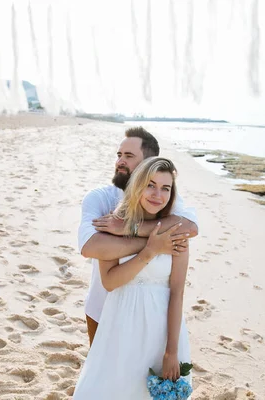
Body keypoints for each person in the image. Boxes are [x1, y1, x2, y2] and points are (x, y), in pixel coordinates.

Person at [73, 157, 192, 398]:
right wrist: (150, 251)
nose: (157, 194)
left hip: (162, 326)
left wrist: (171, 351)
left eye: (165, 188)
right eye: (150, 185)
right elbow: (109, 281)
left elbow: (177, 292)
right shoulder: (112, 224)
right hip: (121, 321)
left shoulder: (176, 230)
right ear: (137, 184)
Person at [78, 127, 198, 345]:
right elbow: (91, 247)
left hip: (151, 319)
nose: (120, 161)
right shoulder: (99, 198)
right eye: (119, 155)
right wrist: (155, 244)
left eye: (129, 156)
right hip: (101, 308)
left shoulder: (164, 198)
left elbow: (190, 227)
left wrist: (128, 228)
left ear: (148, 164)